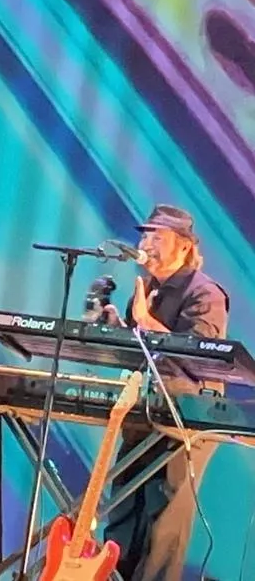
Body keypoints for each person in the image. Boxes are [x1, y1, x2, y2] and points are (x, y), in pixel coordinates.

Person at [101, 204, 227, 581]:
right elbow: (144, 356)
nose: (146, 243)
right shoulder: (149, 291)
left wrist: (144, 322)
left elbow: (198, 359)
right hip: (144, 413)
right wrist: (116, 330)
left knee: (162, 528)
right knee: (122, 515)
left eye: (158, 236)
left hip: (184, 422)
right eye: (144, 235)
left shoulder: (205, 293)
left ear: (185, 247)